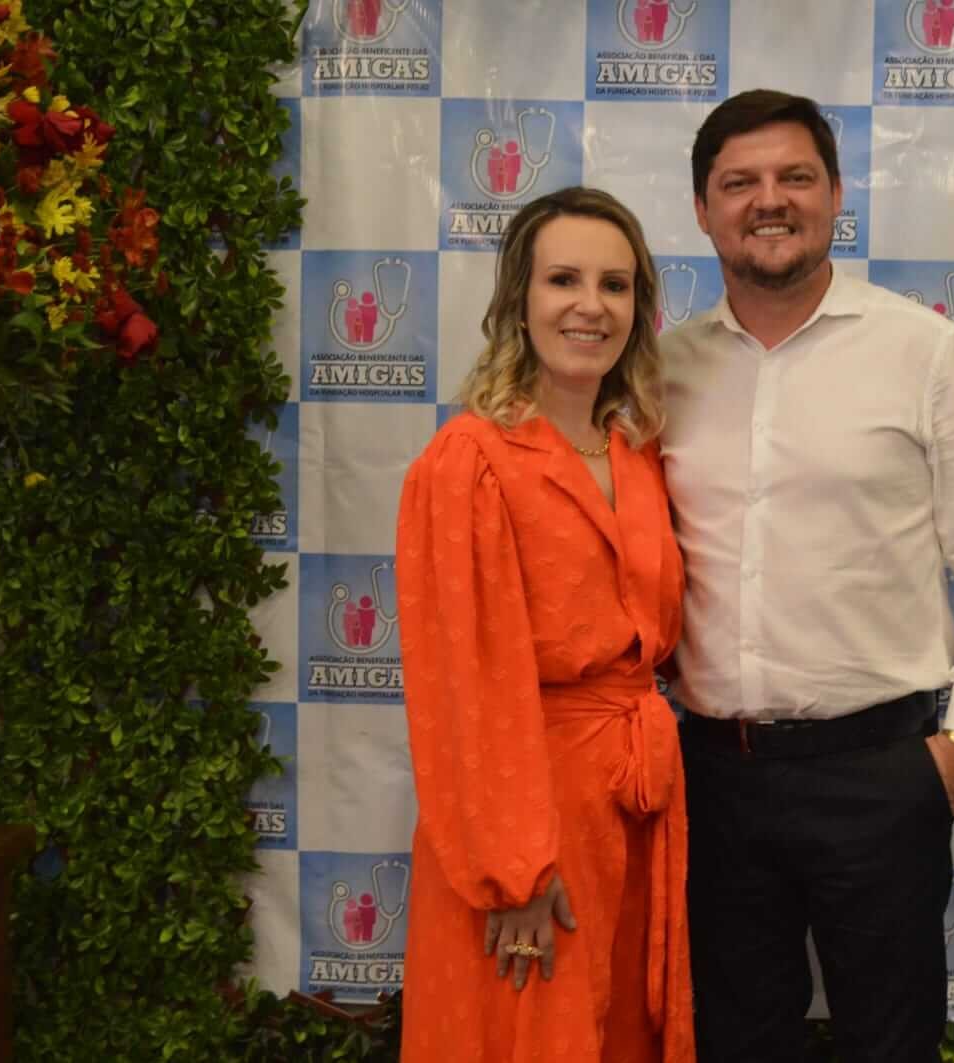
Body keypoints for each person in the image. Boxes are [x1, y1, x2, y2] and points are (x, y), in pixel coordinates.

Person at [657, 89, 954, 1063]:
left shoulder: (924, 351)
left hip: (881, 775)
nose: (769, 200)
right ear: (702, 208)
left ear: (836, 194)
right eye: (738, 183)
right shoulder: (660, 370)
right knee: (733, 1042)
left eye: (795, 176)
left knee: (889, 1042)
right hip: (710, 777)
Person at [394, 186, 693, 1063]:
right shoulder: (469, 461)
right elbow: (463, 685)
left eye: (615, 284)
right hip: (526, 821)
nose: (590, 306)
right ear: (518, 300)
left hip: (635, 810)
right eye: (564, 279)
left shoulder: (638, 454)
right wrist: (514, 869)